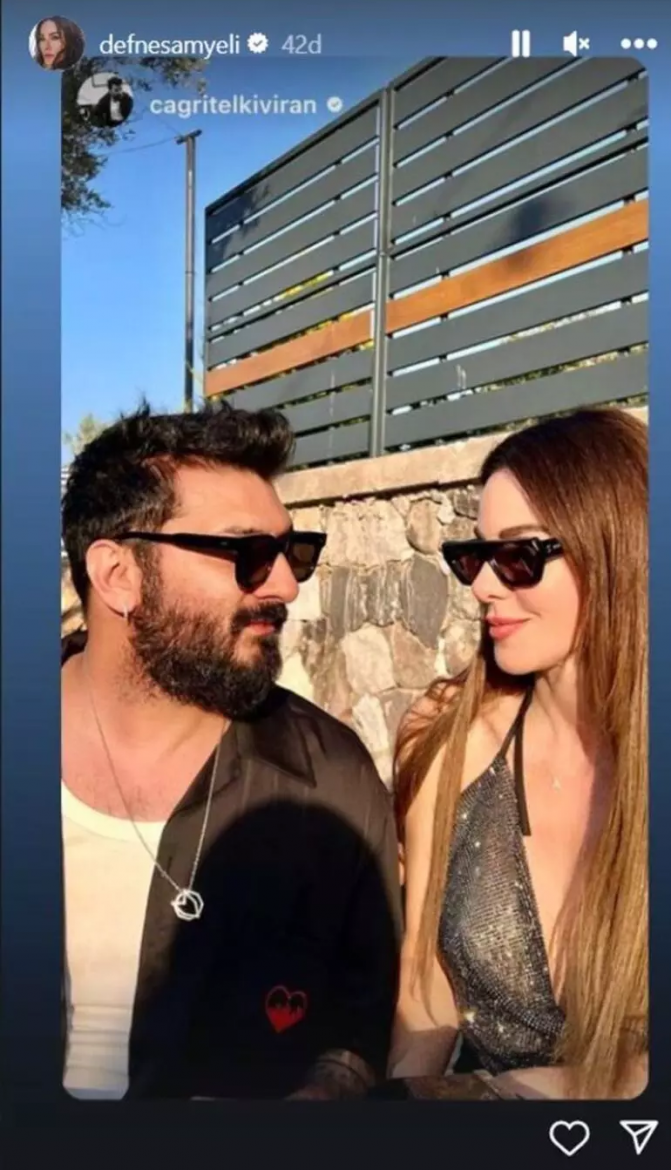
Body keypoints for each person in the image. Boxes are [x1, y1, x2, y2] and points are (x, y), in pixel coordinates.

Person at [61, 401, 401, 1101]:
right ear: (118, 574)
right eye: (246, 554)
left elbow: (363, 1016)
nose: (286, 586)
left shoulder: (329, 782)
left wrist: (319, 1097)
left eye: (293, 552)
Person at [390, 407, 648, 1101]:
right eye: (475, 556)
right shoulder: (448, 742)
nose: (482, 585)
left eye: (519, 555)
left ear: (617, 551)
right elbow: (424, 991)